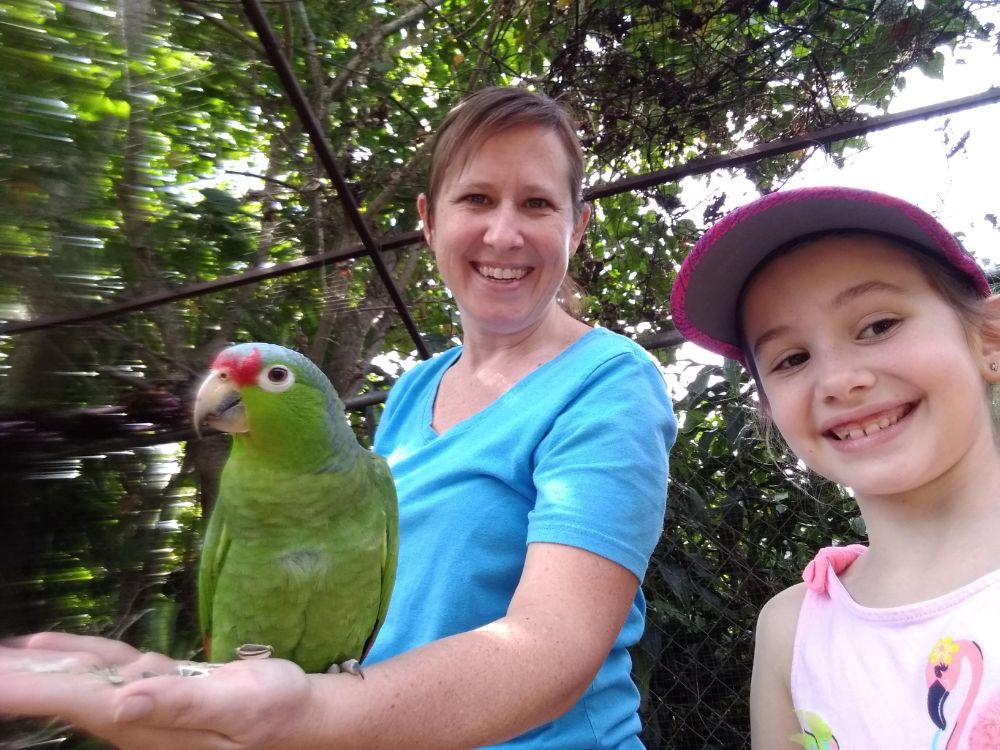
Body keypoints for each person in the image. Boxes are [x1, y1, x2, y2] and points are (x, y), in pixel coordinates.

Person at [0, 86, 677, 749]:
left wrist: (306, 717)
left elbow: (551, 649)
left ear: (577, 226)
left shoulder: (608, 381)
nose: (503, 232)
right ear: (430, 220)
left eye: (536, 203)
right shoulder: (414, 391)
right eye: (476, 198)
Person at [670, 185, 1000, 748]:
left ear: (989, 339)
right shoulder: (792, 633)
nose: (839, 381)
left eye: (878, 325)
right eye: (792, 359)